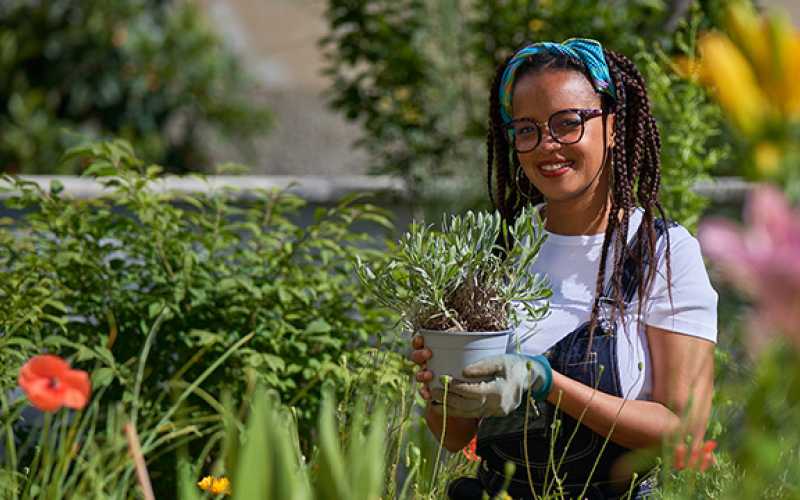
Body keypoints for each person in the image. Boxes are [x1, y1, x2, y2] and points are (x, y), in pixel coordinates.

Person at [410, 39, 718, 499]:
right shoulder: (499, 257)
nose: (547, 146)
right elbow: (456, 437)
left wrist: (546, 381)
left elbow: (683, 429)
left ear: (612, 126)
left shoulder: (661, 252)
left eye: (568, 123)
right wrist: (443, 386)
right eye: (527, 129)